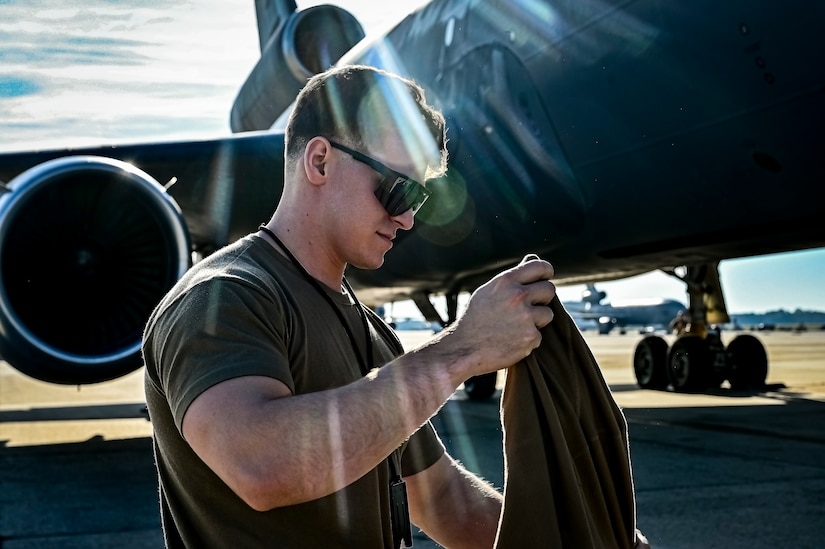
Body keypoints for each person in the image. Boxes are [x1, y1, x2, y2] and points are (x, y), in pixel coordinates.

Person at [143, 64, 558, 548]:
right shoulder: (221, 297)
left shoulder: (373, 334)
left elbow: (442, 498)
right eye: (397, 189)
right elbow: (261, 466)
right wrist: (461, 349)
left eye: (419, 198)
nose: (405, 219)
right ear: (319, 161)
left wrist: (581, 538)